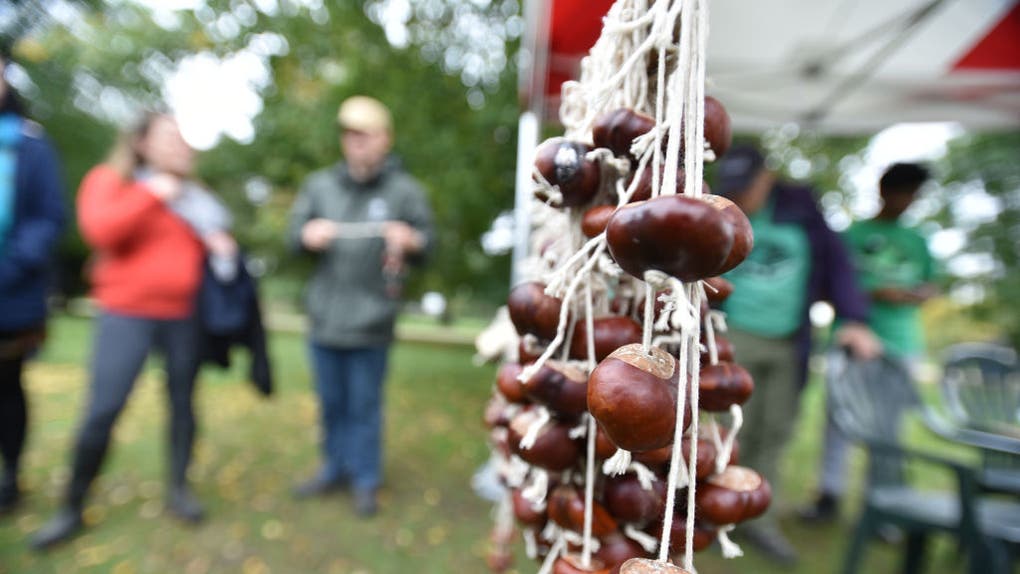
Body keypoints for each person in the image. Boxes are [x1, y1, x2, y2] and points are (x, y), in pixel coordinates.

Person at [32, 112, 220, 549]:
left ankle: (179, 490)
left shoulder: (193, 196)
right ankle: (71, 507)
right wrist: (152, 193)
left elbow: (204, 248)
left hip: (183, 317)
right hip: (127, 313)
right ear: (141, 142)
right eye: (169, 136)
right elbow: (102, 231)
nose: (180, 145)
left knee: (183, 404)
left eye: (183, 137)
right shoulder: (110, 180)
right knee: (103, 409)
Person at [713, 145, 882, 565]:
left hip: (791, 338)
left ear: (766, 176)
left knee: (777, 428)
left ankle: (757, 516)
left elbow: (837, 266)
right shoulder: (720, 212)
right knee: (731, 431)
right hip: (736, 334)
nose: (742, 196)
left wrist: (854, 317)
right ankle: (716, 514)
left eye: (747, 186)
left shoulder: (804, 214)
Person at [287, 95, 432, 517]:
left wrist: (411, 239)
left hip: (373, 321)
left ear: (385, 139)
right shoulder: (319, 186)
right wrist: (305, 235)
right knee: (331, 403)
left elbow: (428, 243)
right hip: (325, 319)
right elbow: (292, 238)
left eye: (365, 135)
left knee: (364, 405)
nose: (357, 143)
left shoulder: (405, 191)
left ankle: (366, 478)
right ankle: (334, 468)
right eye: (349, 135)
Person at [800, 162, 936, 522]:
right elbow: (830, 286)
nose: (906, 201)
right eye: (901, 192)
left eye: (912, 194)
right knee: (840, 422)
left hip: (901, 344)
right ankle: (829, 495)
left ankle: (884, 506)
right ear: (883, 190)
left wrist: (912, 294)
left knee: (890, 430)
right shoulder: (852, 236)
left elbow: (931, 285)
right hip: (851, 340)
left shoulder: (918, 240)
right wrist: (875, 292)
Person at [0, 53, 67, 515]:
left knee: (6, 388)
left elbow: (49, 218)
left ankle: (10, 476)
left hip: (10, 295)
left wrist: (10, 267)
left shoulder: (30, 145)